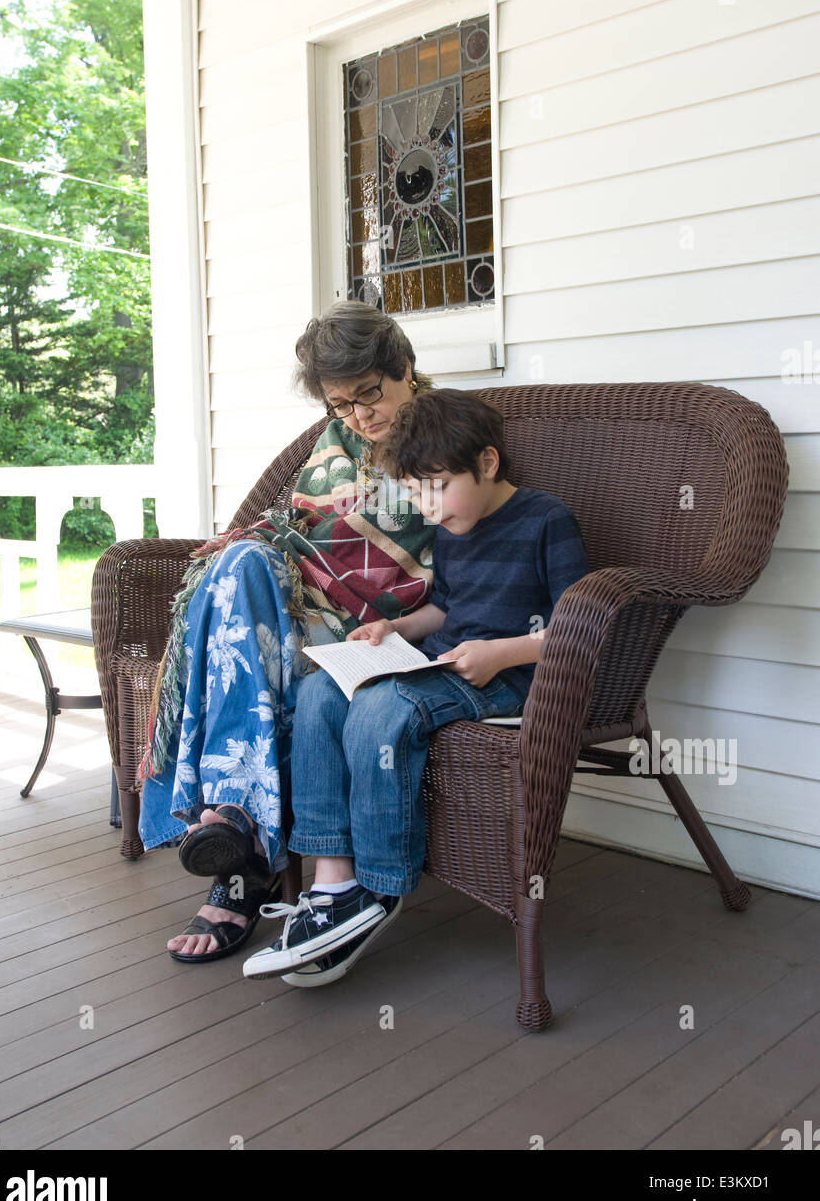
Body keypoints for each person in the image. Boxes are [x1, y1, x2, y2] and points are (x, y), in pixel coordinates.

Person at [241, 387, 591, 985]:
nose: (427, 509)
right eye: (416, 492)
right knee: (323, 690)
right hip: (445, 663)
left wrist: (503, 651)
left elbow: (576, 628)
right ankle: (334, 882)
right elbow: (448, 611)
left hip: (508, 679)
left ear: (487, 463)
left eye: (437, 487)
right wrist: (392, 627)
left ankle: (379, 887)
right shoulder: (454, 528)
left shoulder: (545, 520)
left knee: (382, 706)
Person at [136, 301, 438, 962]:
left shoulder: (448, 436)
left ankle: (240, 858)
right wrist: (249, 542)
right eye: (340, 405)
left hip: (378, 620)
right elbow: (297, 522)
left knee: (242, 650)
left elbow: (465, 540)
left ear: (406, 370)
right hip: (300, 606)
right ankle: (241, 828)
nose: (360, 417)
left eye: (371, 395)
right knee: (237, 566)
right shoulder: (336, 442)